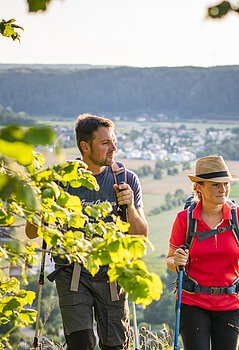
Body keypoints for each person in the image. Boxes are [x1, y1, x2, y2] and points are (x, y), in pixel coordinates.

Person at [26, 113, 148, 350]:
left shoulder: (126, 179)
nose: (114, 147)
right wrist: (46, 208)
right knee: (81, 344)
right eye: (105, 143)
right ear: (85, 146)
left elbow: (141, 236)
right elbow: (32, 232)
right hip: (73, 274)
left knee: (116, 346)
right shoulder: (62, 181)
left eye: (113, 141)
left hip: (113, 274)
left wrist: (130, 207)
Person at [166, 155, 239, 350]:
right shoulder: (184, 220)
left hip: (231, 303)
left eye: (226, 184)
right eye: (215, 185)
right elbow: (169, 260)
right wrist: (176, 260)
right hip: (193, 302)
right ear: (198, 187)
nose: (223, 189)